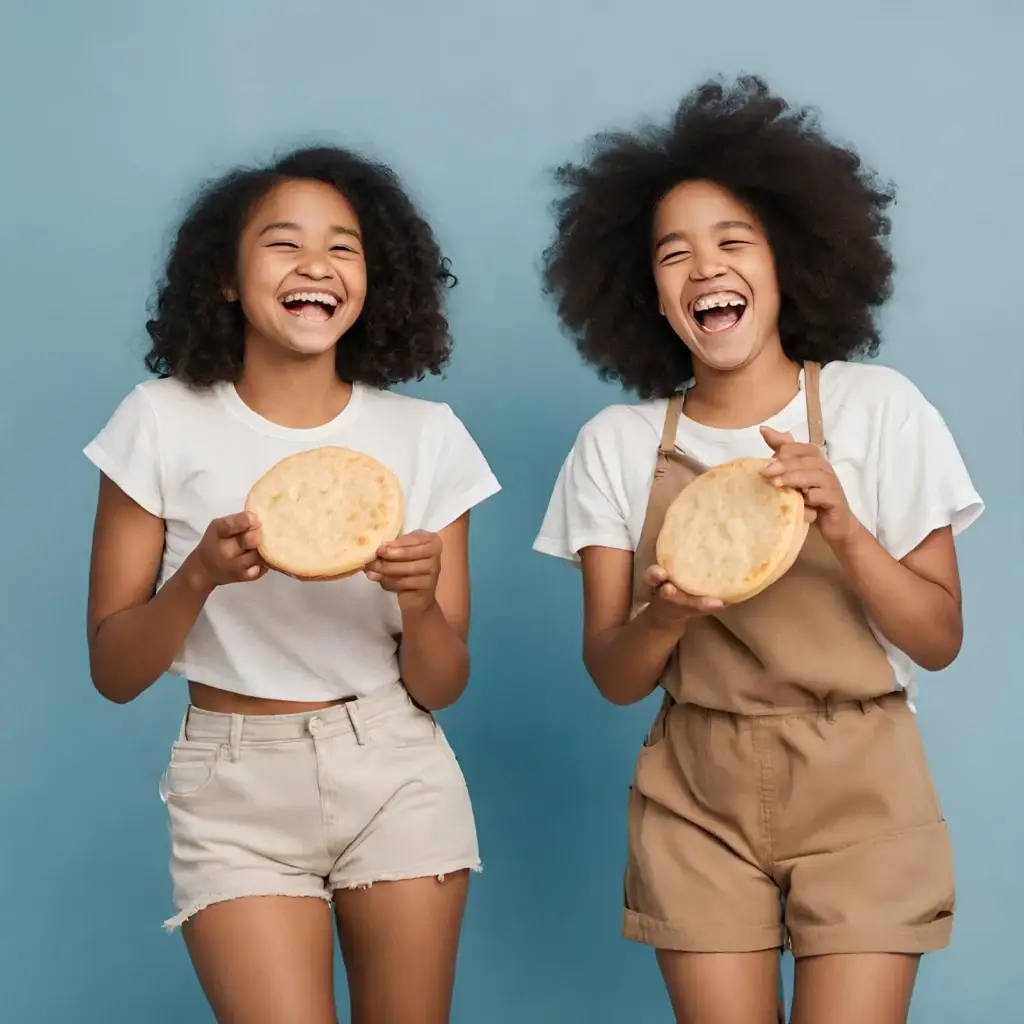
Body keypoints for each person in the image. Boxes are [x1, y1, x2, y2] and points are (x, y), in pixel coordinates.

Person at [533, 76, 982, 1024]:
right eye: (673, 254)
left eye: (733, 242)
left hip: (863, 782)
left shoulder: (878, 409)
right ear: (646, 293)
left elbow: (938, 636)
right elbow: (613, 675)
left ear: (790, 265)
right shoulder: (616, 447)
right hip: (696, 790)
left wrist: (844, 527)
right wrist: (667, 613)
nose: (705, 268)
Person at [84, 146, 500, 1024]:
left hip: (393, 766)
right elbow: (114, 672)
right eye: (283, 243)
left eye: (344, 247)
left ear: (374, 282)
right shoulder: (158, 422)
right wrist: (198, 578)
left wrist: (419, 600)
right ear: (227, 280)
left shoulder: (426, 438)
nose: (316, 265)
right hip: (231, 782)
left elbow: (443, 684)